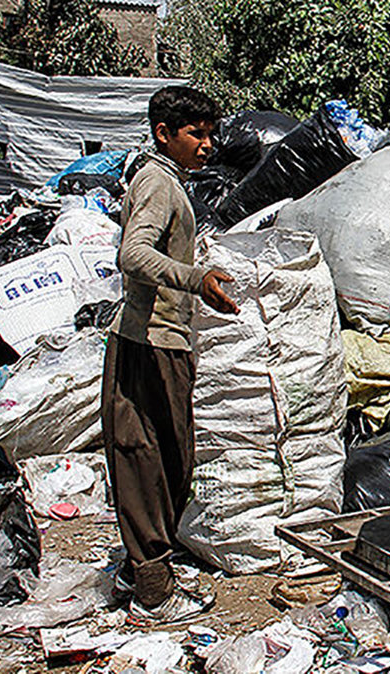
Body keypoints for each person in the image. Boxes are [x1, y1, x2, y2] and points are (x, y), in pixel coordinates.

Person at [102, 85, 239, 623]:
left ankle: (145, 568)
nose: (207, 145)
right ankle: (153, 588)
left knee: (167, 458)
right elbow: (133, 254)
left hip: (161, 339)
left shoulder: (169, 182)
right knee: (149, 461)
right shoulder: (158, 182)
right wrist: (195, 279)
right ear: (164, 134)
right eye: (195, 135)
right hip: (148, 342)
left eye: (210, 135)